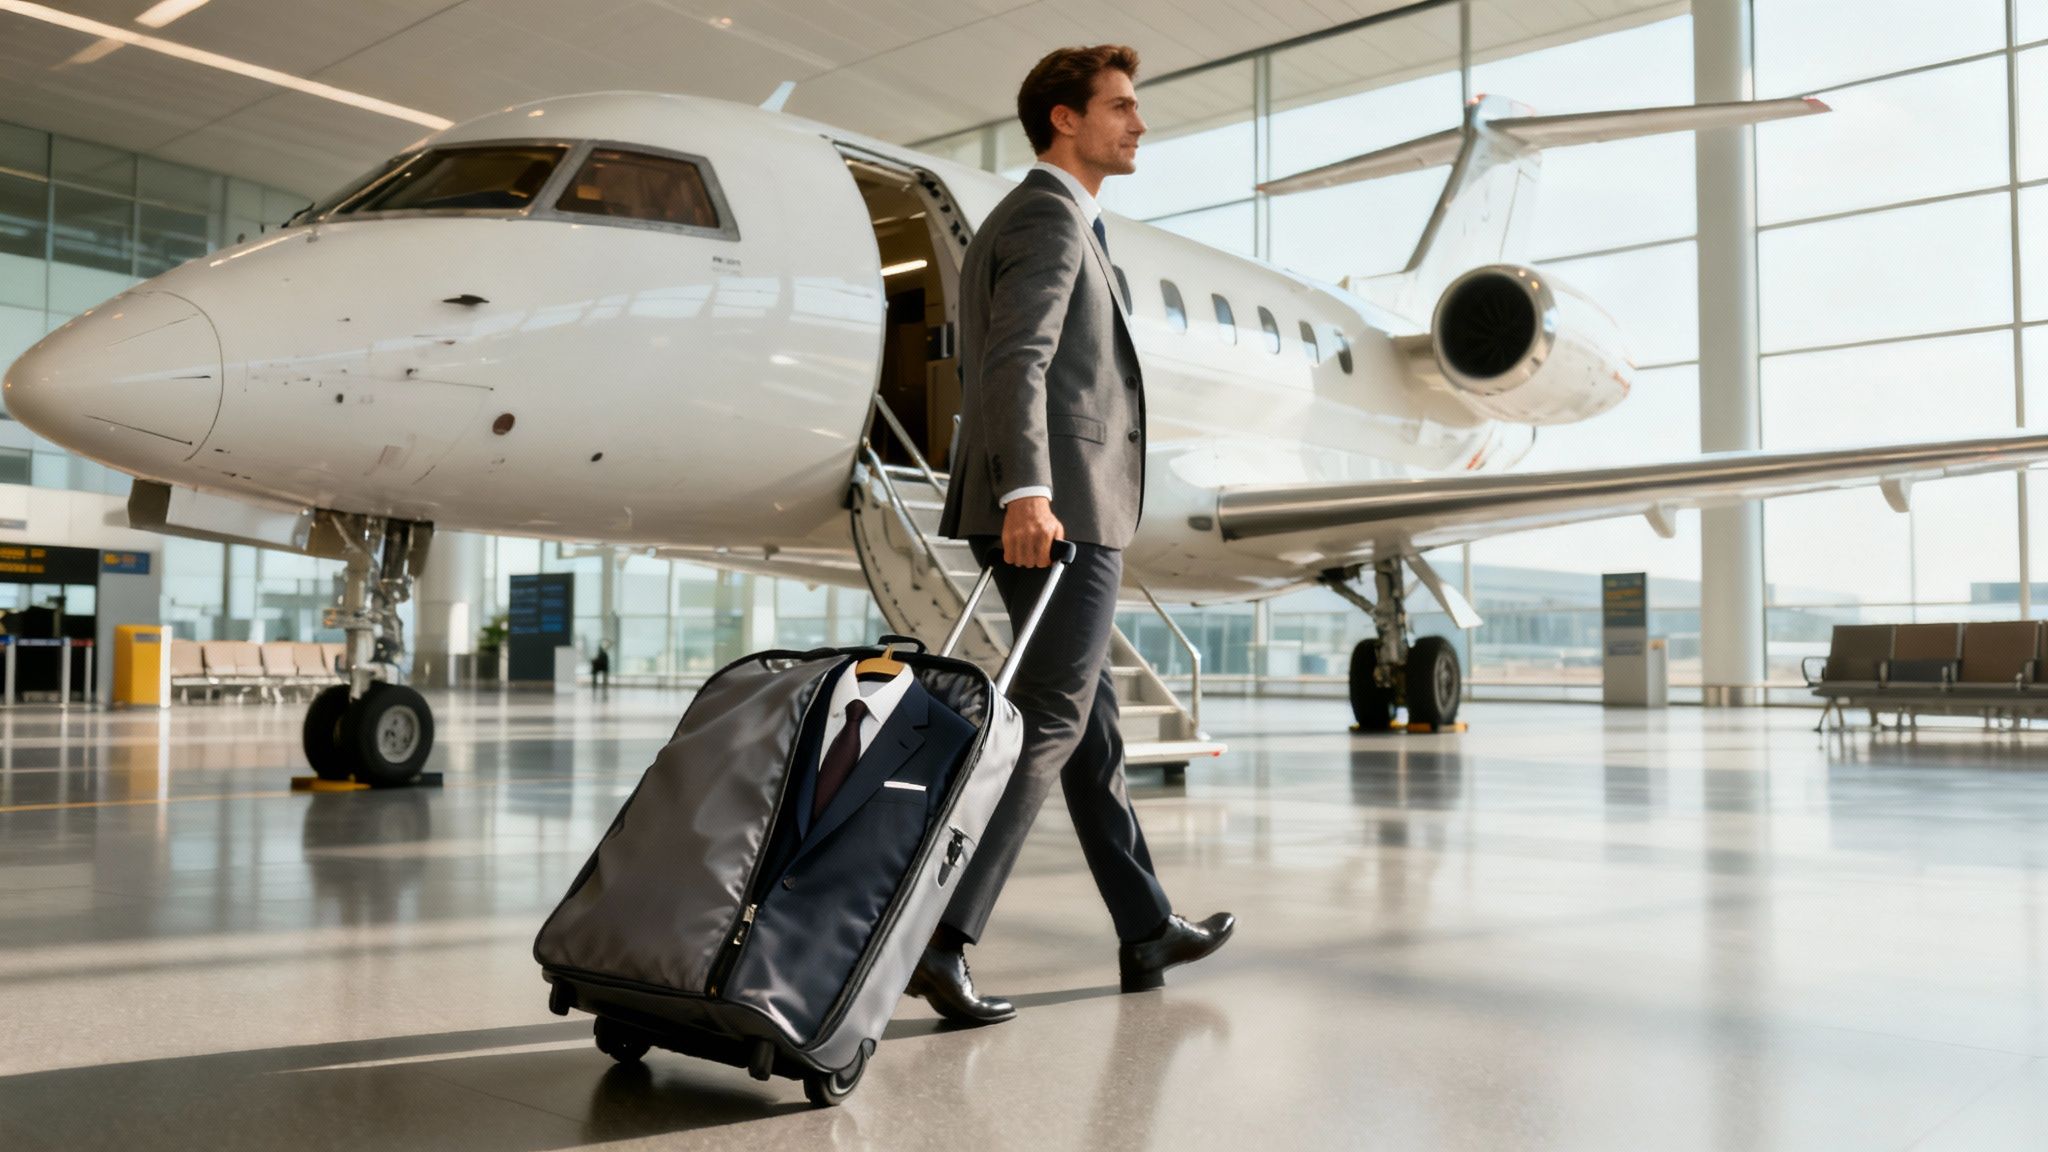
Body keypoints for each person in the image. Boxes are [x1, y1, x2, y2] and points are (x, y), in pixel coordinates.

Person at [920, 44, 1234, 1026]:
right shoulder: (1049, 217)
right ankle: (942, 941)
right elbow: (1014, 361)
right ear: (1064, 119)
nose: (1137, 125)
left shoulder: (1050, 219)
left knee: (1087, 725)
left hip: (1051, 500)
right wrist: (1028, 490)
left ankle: (1145, 925)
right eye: (1120, 108)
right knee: (1051, 721)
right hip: (1058, 510)